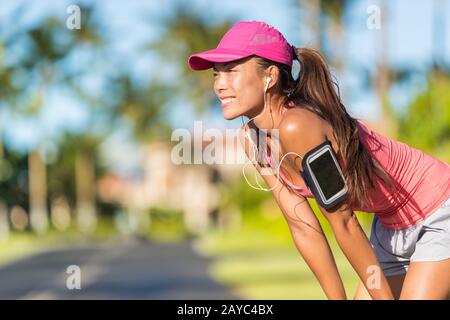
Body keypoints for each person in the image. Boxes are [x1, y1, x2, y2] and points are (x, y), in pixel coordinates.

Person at [187, 20, 450, 300]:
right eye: (217, 74)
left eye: (231, 71)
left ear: (270, 76)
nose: (219, 85)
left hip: (437, 209)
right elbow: (302, 225)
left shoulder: (298, 126)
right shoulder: (253, 139)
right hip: (389, 226)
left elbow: (344, 221)